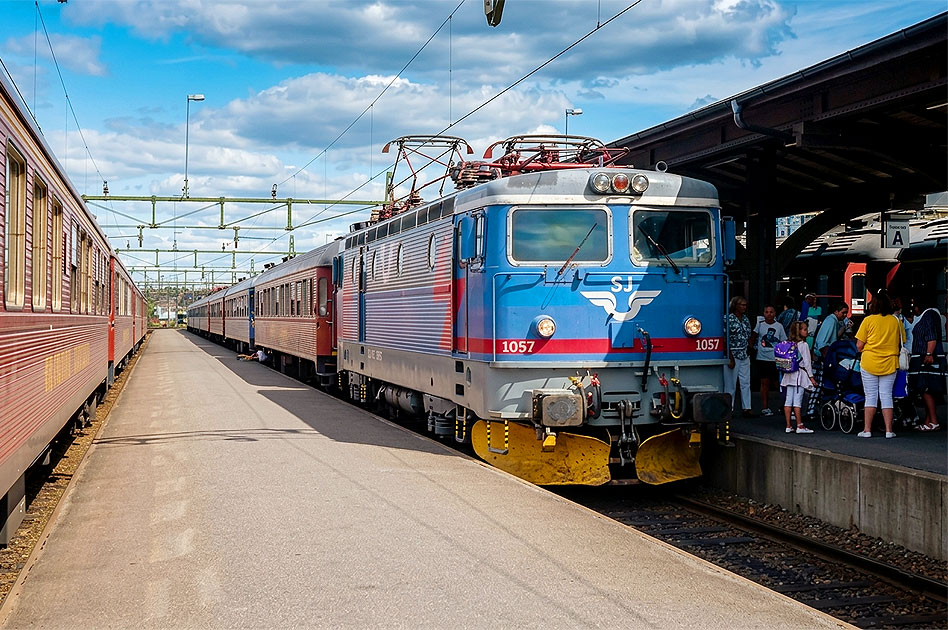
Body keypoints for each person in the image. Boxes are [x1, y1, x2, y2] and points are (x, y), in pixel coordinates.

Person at [855, 291, 904, 438]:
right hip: (890, 362)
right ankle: (889, 430)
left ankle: (867, 430)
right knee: (887, 395)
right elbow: (902, 342)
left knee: (870, 396)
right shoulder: (896, 321)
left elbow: (859, 345)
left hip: (869, 361)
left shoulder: (868, 321)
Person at [805, 301, 849, 420]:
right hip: (822, 357)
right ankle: (810, 410)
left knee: (818, 385)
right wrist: (828, 358)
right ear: (836, 311)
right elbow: (823, 343)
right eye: (843, 313)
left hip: (822, 356)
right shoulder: (831, 321)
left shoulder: (832, 321)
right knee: (818, 385)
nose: (845, 315)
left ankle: (812, 409)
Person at [908, 297, 945, 432]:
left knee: (925, 389)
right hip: (927, 357)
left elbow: (931, 336)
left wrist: (929, 354)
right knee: (926, 390)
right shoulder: (933, 314)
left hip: (925, 357)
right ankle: (928, 420)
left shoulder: (928, 315)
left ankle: (933, 421)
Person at [781, 320, 816, 434]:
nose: (806, 331)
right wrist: (811, 377)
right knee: (797, 401)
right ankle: (800, 425)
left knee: (788, 401)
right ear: (799, 331)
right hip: (799, 375)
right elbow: (807, 363)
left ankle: (788, 425)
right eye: (804, 329)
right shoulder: (804, 345)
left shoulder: (788, 343)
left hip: (788, 374)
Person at [752, 305, 787, 416]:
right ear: (763, 313)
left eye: (771, 312)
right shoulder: (760, 325)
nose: (769, 314)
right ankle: (765, 406)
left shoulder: (779, 326)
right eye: (766, 312)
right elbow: (753, 337)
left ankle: (784, 405)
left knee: (779, 383)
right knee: (764, 382)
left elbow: (783, 342)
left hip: (775, 359)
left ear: (775, 313)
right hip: (762, 358)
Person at [725, 296, 754, 417]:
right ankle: (728, 409)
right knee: (730, 384)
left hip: (744, 354)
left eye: (745, 305)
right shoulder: (728, 319)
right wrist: (730, 357)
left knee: (746, 382)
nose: (744, 307)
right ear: (735, 305)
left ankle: (747, 408)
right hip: (733, 354)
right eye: (742, 305)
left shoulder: (745, 319)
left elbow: (749, 335)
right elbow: (725, 338)